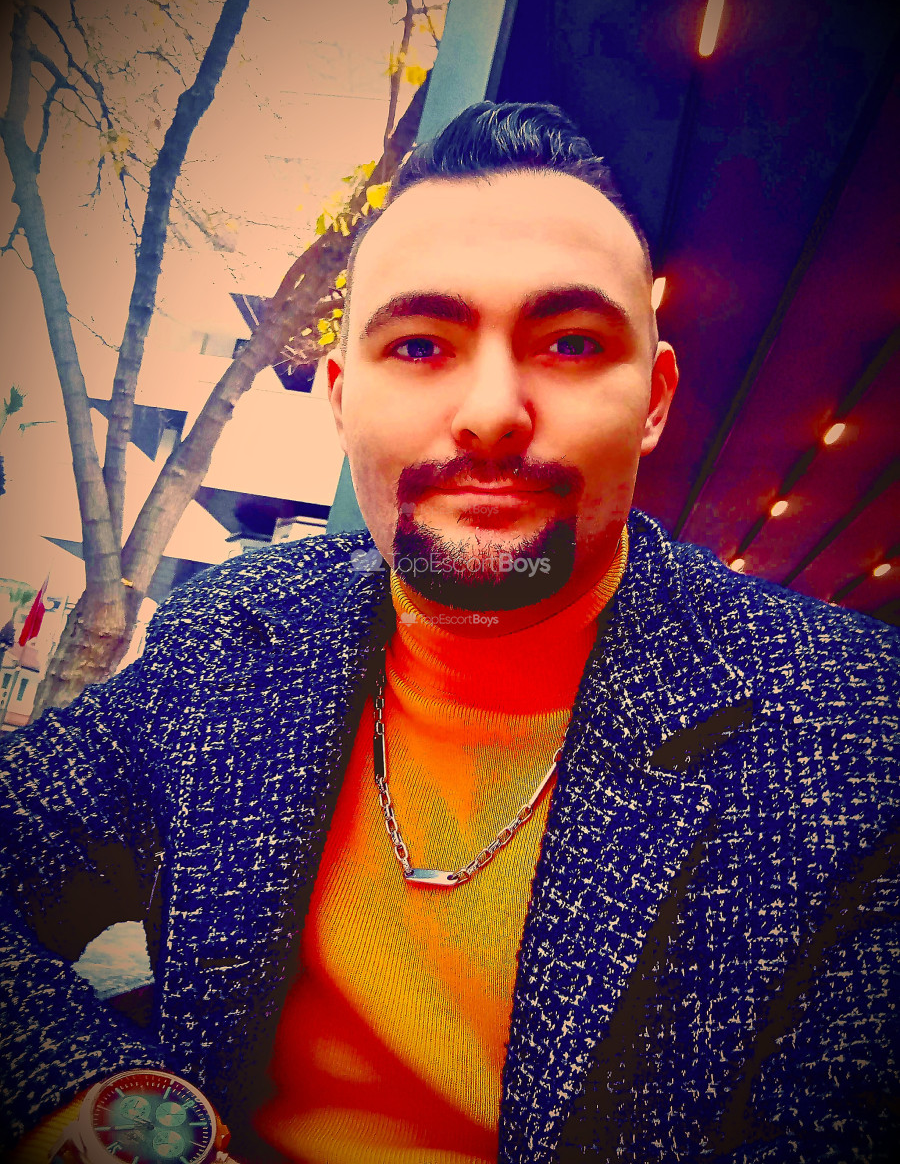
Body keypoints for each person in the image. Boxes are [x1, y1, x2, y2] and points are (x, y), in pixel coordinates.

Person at [2, 101, 898, 1164]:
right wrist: (112, 1116)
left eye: (571, 343)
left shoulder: (858, 734)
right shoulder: (235, 638)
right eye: (421, 344)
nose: (491, 412)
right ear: (341, 398)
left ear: (655, 400)